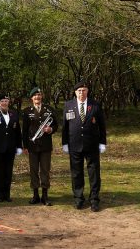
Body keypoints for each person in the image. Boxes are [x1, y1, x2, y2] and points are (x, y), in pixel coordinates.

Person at [62, 81, 107, 212]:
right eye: (79, 90)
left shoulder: (95, 105)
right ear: (75, 92)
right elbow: (65, 126)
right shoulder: (68, 105)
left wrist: (102, 142)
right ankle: (78, 198)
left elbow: (102, 126)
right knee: (76, 173)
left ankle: (94, 200)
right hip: (74, 145)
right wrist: (64, 143)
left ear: (87, 91)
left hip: (92, 145)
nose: (82, 93)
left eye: (84, 90)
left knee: (93, 174)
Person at [22, 87, 58, 206]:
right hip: (32, 146)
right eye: (35, 95)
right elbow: (25, 130)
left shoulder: (49, 109)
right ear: (31, 98)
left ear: (41, 96)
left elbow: (56, 125)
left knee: (45, 170)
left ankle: (45, 195)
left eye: (39, 95)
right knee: (33, 171)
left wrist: (50, 129)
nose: (37, 97)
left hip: (46, 146)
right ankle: (35, 195)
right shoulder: (27, 111)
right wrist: (25, 146)